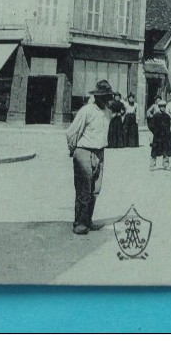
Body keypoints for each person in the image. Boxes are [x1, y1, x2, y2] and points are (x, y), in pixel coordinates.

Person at [65, 79, 113, 235]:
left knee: (95, 190)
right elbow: (71, 132)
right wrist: (74, 151)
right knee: (83, 189)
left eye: (108, 96)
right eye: (103, 96)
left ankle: (88, 220)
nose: (106, 99)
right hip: (84, 151)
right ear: (97, 97)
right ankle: (79, 223)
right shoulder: (86, 110)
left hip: (100, 153)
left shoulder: (107, 113)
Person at [146, 98, 171, 171]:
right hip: (158, 136)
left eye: (164, 106)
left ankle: (166, 164)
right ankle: (152, 165)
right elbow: (151, 126)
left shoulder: (167, 116)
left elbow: (169, 126)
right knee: (155, 150)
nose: (163, 108)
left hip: (165, 136)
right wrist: (155, 132)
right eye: (162, 106)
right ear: (159, 107)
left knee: (166, 150)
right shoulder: (155, 116)